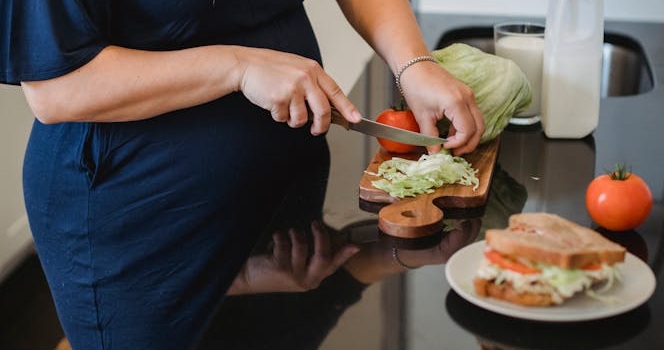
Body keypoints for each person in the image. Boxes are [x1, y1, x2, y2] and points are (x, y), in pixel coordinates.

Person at [0, 1, 485, 349]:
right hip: (140, 225)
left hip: (281, 205)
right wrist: (239, 65)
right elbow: (57, 89)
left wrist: (413, 64)